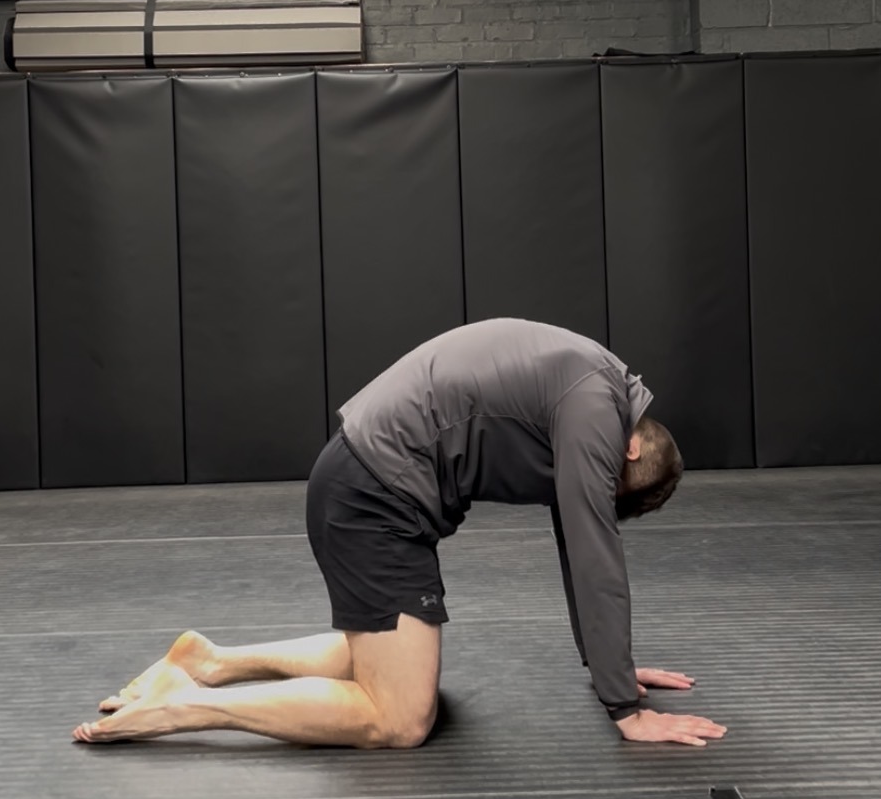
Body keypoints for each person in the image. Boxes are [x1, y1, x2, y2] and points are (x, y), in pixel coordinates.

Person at [74, 318, 727, 748]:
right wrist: (624, 708)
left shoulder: (598, 383)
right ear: (632, 454)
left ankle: (210, 662)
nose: (597, 494)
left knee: (385, 659)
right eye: (612, 491)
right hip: (372, 498)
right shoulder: (593, 408)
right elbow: (593, 550)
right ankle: (186, 703)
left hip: (368, 487)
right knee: (401, 718)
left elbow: (574, 528)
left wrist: (604, 664)